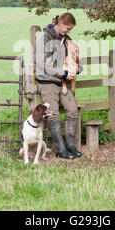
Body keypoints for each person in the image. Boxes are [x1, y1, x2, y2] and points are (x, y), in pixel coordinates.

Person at [34, 12, 83, 159]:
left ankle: (70, 145)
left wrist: (77, 69)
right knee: (53, 114)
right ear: (60, 23)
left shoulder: (66, 40)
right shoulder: (44, 38)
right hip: (47, 81)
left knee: (73, 109)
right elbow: (44, 65)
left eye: (70, 29)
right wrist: (63, 73)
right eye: (67, 28)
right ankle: (60, 149)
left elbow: (75, 58)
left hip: (62, 82)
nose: (69, 31)